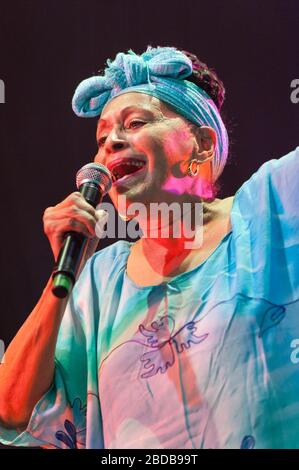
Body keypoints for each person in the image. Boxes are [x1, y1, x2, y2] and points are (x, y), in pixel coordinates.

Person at [0, 45, 298, 449]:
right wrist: (62, 275)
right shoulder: (100, 282)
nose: (111, 145)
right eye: (102, 137)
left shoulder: (272, 207)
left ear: (204, 145)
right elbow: (13, 409)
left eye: (135, 122)